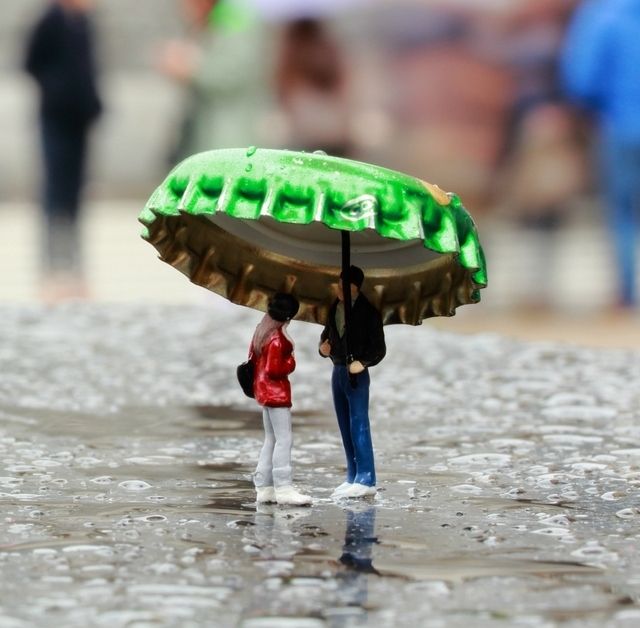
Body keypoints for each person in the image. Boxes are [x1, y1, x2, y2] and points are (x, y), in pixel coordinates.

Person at [560, 0, 640, 308]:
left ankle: (625, 294)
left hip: (620, 125)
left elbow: (582, 79)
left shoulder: (602, 15)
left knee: (621, 211)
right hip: (619, 121)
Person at [24, 0, 102, 301]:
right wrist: (57, 92)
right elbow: (31, 62)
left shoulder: (82, 23)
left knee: (75, 195)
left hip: (79, 121)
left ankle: (74, 269)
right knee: (55, 195)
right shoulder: (51, 19)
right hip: (56, 121)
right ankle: (52, 269)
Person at [158, 0, 271, 163]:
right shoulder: (220, 16)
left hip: (231, 133)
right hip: (208, 130)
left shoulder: (236, 14)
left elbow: (234, 71)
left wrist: (190, 66)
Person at [319, 266, 386, 499]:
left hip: (356, 373)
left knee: (359, 424)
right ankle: (352, 474)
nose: (339, 289)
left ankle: (367, 476)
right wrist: (323, 348)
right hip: (337, 370)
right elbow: (327, 335)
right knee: (344, 425)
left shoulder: (368, 312)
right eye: (338, 284)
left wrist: (363, 362)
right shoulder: (334, 307)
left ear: (355, 287)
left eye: (344, 286)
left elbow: (379, 348)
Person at [250, 293, 311, 506]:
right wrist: (291, 360)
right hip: (276, 394)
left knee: (271, 439)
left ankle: (264, 486)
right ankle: (283, 487)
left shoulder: (262, 331)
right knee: (284, 440)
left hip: (263, 391)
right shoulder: (277, 338)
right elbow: (275, 369)